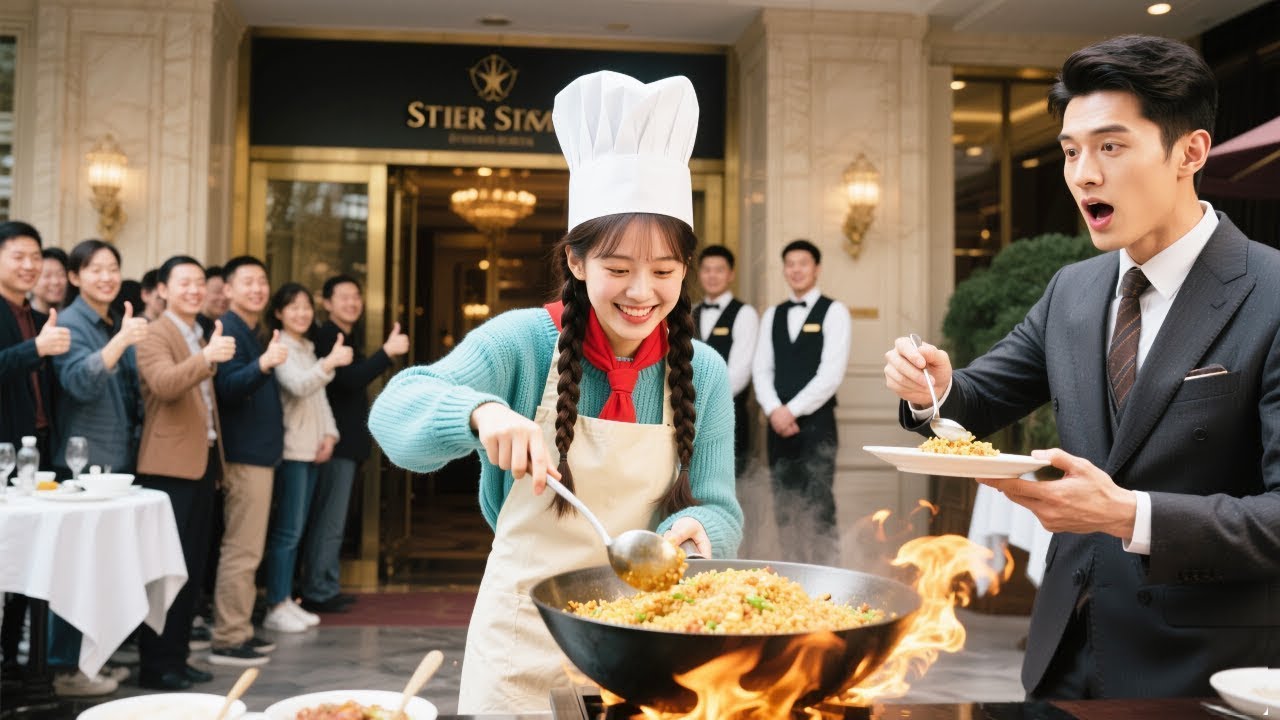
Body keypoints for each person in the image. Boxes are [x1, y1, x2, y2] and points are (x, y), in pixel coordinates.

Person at [883, 34, 1280, 699]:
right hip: (1061, 655)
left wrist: (1128, 515)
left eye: (1110, 147)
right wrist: (935, 385)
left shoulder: (1269, 293)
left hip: (1199, 672)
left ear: (1191, 152)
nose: (1082, 174)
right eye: (1070, 151)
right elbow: (977, 399)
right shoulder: (1074, 290)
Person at [369, 71, 743, 714]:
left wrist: (694, 530)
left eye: (663, 271)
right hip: (521, 639)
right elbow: (395, 411)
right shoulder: (523, 342)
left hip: (644, 638)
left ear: (687, 269)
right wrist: (479, 411)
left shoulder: (702, 372)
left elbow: (722, 511)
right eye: (618, 270)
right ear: (576, 261)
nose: (641, 293)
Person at [134, 255, 236, 689]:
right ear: (163, 289)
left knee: (191, 569)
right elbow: (164, 384)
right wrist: (207, 358)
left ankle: (176, 656)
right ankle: (156, 664)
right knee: (164, 571)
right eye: (184, 283)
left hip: (201, 463)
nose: (194, 290)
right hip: (167, 467)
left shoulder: (197, 331)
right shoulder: (155, 332)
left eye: (199, 282)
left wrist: (205, 353)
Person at [299, 275, 408, 614]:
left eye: (356, 296)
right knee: (329, 519)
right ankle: (318, 589)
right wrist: (386, 353)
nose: (352, 302)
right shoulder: (329, 335)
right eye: (343, 297)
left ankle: (324, 584)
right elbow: (348, 381)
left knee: (332, 518)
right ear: (326, 303)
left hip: (342, 442)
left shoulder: (342, 334)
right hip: (334, 443)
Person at [0, 222, 71, 690]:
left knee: (29, 560)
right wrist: (33, 350)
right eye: (18, 256)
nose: (29, 265)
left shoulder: (34, 311)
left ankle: (14, 660)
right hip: (4, 451)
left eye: (35, 257)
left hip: (36, 449)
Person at [751, 239, 851, 566]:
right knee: (784, 505)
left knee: (820, 503)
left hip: (817, 424)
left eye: (802, 263)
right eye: (790, 264)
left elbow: (831, 374)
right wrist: (774, 411)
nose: (795, 270)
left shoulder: (834, 312)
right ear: (784, 270)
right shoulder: (773, 315)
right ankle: (791, 578)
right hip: (777, 426)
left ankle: (828, 578)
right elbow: (761, 369)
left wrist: (790, 411)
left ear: (816, 268)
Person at [209, 255, 288, 667]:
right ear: (228, 289)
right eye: (248, 282)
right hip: (244, 456)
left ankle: (236, 628)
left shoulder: (252, 330)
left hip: (259, 454)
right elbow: (227, 388)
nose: (257, 288)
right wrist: (263, 364)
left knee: (247, 548)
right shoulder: (229, 329)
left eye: (262, 281)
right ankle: (228, 636)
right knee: (241, 549)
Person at [260, 283, 351, 633]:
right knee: (287, 530)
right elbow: (298, 386)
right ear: (279, 313)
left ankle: (286, 600)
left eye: (305, 306)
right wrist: (329, 363)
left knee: (296, 529)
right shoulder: (280, 346)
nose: (301, 313)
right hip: (292, 448)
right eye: (293, 307)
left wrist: (330, 433)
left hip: (311, 447)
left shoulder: (307, 346)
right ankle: (276, 603)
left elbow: (319, 399)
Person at [694, 245, 758, 477]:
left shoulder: (745, 314)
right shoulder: (691, 313)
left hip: (729, 412)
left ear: (731, 274)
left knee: (730, 483)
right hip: (689, 415)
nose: (712, 275)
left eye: (719, 270)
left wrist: (702, 401)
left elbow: (740, 372)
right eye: (706, 270)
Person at [32, 246, 69, 314]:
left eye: (61, 274)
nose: (56, 282)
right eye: (47, 275)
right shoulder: (23, 317)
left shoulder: (72, 317)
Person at [197, 265, 228, 341]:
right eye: (217, 292)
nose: (223, 298)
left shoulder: (228, 325)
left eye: (226, 292)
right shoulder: (195, 327)